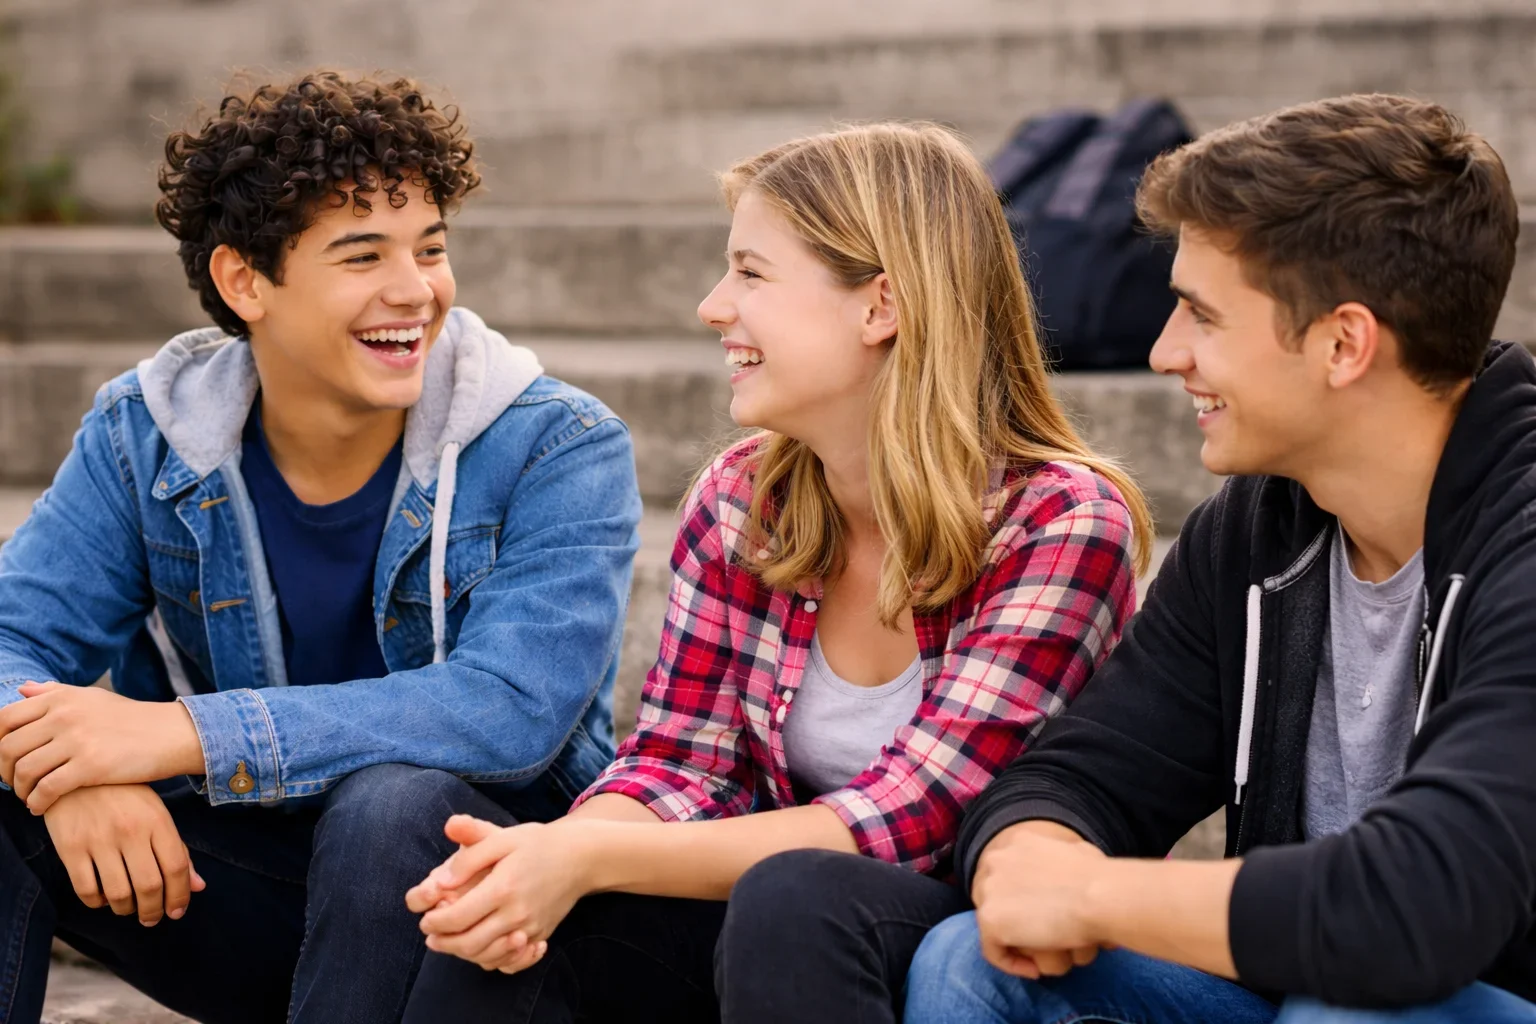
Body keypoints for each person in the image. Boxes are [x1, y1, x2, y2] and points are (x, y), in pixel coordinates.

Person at [396, 121, 1153, 1024]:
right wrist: (541, 863)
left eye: (751, 273)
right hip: (775, 922)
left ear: (881, 306)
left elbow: (918, 816)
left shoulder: (1061, 520)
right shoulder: (745, 495)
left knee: (793, 896)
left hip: (973, 940)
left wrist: (583, 858)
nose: (715, 306)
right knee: (512, 921)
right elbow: (681, 763)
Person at [0, 71, 641, 1024]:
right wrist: (67, 782)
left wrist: (179, 737)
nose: (415, 290)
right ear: (243, 281)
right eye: (362, 255)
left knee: (389, 807)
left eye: (430, 248)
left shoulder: (555, 444)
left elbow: (508, 711)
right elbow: (14, 635)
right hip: (263, 898)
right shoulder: (148, 436)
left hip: (485, 932)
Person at [904, 93, 1536, 1024]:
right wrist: (1030, 850)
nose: (1164, 353)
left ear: (1342, 343)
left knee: (1349, 1014)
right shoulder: (1256, 530)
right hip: (1303, 987)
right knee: (972, 961)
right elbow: (1076, 776)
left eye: (1201, 315)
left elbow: (1420, 905)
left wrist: (1092, 896)